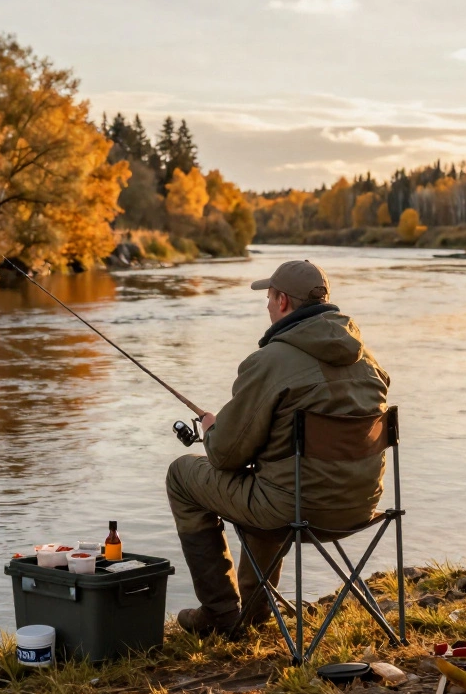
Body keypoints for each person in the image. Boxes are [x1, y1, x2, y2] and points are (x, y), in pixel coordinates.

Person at [166, 259, 391, 635]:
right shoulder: (369, 362)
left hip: (294, 512)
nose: (268, 306)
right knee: (275, 477)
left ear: (283, 301)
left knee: (182, 475)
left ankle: (221, 614)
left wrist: (211, 429)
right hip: (361, 506)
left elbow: (224, 456)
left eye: (269, 298)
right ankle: (255, 610)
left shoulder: (269, 362)